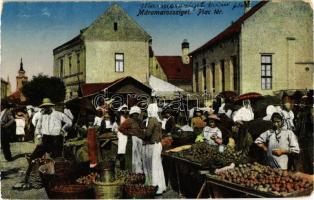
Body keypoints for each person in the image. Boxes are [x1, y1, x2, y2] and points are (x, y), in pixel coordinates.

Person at [142, 103, 166, 194]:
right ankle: (160, 186)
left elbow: (148, 133)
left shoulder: (152, 120)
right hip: (157, 144)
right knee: (157, 166)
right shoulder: (157, 119)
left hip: (153, 145)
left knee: (153, 166)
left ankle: (154, 186)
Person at [118, 106, 144, 173]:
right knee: (132, 155)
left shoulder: (139, 121)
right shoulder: (128, 120)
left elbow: (142, 128)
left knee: (139, 156)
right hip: (132, 140)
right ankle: (131, 171)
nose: (136, 115)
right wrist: (129, 133)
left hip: (139, 139)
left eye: (137, 114)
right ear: (132, 114)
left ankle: (138, 170)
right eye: (134, 114)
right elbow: (121, 128)